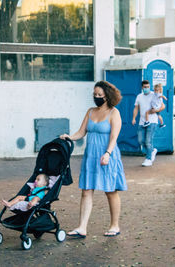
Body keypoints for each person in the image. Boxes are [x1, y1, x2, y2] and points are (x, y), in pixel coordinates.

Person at [60, 81, 127, 238]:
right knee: (86, 191)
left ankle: (115, 225)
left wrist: (108, 153)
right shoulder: (90, 111)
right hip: (91, 156)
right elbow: (81, 132)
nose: (96, 97)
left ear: (107, 96)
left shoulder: (114, 113)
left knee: (110, 191)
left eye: (99, 95)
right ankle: (82, 227)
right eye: (94, 95)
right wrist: (69, 136)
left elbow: (114, 137)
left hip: (106, 155)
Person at [132, 80, 165, 167]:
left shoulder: (154, 94)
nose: (146, 88)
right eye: (145, 87)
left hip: (152, 121)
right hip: (142, 122)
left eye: (148, 87)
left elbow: (163, 106)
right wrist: (134, 118)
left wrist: (156, 110)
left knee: (148, 141)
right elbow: (136, 108)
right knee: (140, 141)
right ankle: (152, 150)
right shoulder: (139, 96)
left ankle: (149, 159)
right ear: (142, 87)